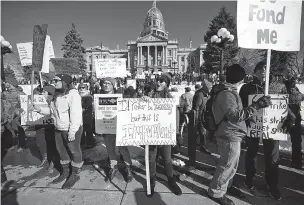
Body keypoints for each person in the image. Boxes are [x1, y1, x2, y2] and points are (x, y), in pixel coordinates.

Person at [208, 64, 272, 205]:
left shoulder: (230, 92)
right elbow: (235, 116)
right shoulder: (227, 94)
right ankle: (216, 192)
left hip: (232, 133)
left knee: (231, 165)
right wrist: (257, 106)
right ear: (239, 79)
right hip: (228, 134)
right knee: (226, 165)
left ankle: (226, 186)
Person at [240, 62, 296, 201]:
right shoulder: (247, 88)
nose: (265, 71)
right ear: (256, 71)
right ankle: (249, 178)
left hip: (272, 127)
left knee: (272, 155)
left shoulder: (277, 86)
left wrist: (290, 116)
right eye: (262, 69)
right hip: (254, 125)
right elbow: (242, 107)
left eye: (267, 69)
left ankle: (272, 185)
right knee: (251, 153)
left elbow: (283, 104)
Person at [33, 74, 83, 189]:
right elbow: (52, 112)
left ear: (65, 82)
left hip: (71, 129)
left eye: (56, 80)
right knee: (62, 152)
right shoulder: (57, 95)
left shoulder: (73, 95)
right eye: (53, 80)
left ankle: (75, 174)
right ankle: (65, 172)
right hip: (58, 129)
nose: (53, 82)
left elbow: (76, 114)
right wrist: (39, 109)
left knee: (74, 151)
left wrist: (72, 131)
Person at [146, 73, 182, 197]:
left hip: (166, 133)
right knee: (151, 159)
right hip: (152, 133)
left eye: (161, 81)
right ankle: (151, 182)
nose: (158, 82)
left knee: (167, 159)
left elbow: (175, 117)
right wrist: (143, 100)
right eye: (157, 80)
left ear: (167, 83)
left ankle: (171, 180)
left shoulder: (171, 98)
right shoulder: (150, 96)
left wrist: (175, 134)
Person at [99, 77, 133, 182]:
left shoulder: (120, 97)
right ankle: (113, 167)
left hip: (119, 126)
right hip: (107, 126)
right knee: (110, 149)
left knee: (122, 148)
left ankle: (128, 168)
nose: (106, 85)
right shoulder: (98, 97)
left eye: (109, 83)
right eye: (104, 83)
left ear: (113, 85)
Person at [34, 85, 59, 172]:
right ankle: (44, 157)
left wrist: (40, 109)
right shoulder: (37, 98)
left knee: (51, 143)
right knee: (40, 143)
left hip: (50, 124)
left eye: (45, 92)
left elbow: (53, 111)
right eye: (42, 91)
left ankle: (52, 160)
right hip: (39, 124)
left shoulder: (54, 100)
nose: (42, 93)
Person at [284, 75, 304, 169]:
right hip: (291, 118)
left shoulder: (293, 90)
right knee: (296, 140)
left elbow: (301, 97)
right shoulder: (290, 90)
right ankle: (296, 160)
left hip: (293, 118)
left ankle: (296, 160)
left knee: (296, 140)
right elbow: (300, 97)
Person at [2, 77, 26, 151]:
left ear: (11, 84)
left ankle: (21, 145)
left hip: (17, 114)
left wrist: (18, 112)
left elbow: (24, 104)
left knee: (19, 129)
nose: (5, 84)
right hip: (7, 114)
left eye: (7, 82)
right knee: (7, 129)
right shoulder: (4, 93)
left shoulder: (20, 93)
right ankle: (9, 144)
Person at [78, 83, 95, 149]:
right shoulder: (78, 97)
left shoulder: (89, 97)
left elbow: (86, 106)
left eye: (83, 88)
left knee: (88, 131)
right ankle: (82, 143)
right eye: (80, 88)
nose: (81, 89)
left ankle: (90, 143)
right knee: (81, 131)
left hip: (87, 117)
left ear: (86, 89)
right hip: (80, 118)